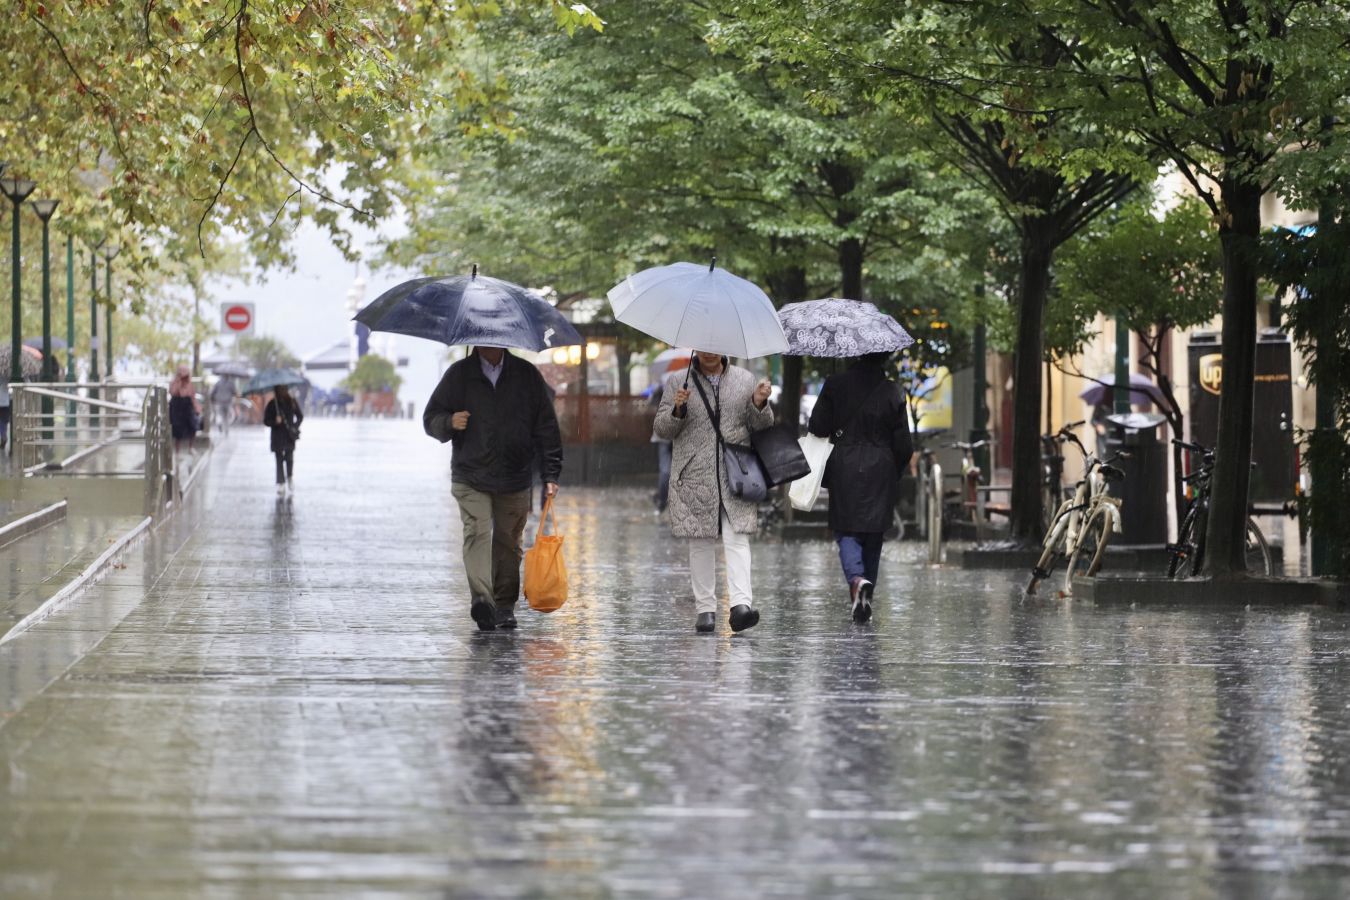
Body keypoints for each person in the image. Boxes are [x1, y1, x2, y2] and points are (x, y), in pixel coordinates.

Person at [424, 346, 563, 632]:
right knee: (476, 531)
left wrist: (550, 473)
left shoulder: (527, 375)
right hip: (470, 474)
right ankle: (482, 600)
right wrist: (449, 422)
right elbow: (431, 418)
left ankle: (503, 605)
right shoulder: (459, 375)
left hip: (514, 476)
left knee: (508, 542)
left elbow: (546, 426)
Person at [653, 351, 774, 634]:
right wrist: (677, 410)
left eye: (714, 347)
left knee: (737, 537)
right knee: (700, 540)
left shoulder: (745, 379)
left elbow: (762, 424)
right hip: (695, 474)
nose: (709, 352)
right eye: (704, 347)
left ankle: (741, 606)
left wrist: (759, 403)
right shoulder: (679, 381)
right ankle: (705, 609)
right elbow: (661, 429)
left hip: (737, 472)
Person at [808, 352, 913, 623]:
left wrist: (832, 397)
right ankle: (867, 593)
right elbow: (904, 444)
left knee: (846, 530)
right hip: (882, 467)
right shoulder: (893, 391)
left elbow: (817, 427)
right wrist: (894, 470)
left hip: (845, 465)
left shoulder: (836, 384)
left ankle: (856, 580)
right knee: (874, 534)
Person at [263, 384, 303, 495]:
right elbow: (266, 421)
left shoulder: (292, 402)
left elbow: (300, 416)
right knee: (279, 459)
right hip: (277, 436)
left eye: (284, 389)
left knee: (289, 458)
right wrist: (275, 421)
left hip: (289, 435)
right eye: (280, 389)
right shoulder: (272, 404)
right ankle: (281, 482)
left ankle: (289, 477)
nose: (282, 391)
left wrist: (294, 426)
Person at [648, 381, 672, 513]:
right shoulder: (679, 388)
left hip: (664, 437)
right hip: (673, 437)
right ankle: (662, 498)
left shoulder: (661, 391)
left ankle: (662, 499)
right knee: (668, 470)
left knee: (665, 470)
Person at [168, 364, 201, 457]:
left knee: (193, 426)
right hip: (177, 405)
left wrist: (196, 407)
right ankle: (177, 452)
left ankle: (191, 447)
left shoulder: (189, 383)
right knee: (177, 429)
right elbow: (173, 392)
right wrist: (178, 381)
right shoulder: (174, 382)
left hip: (187, 405)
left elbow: (192, 396)